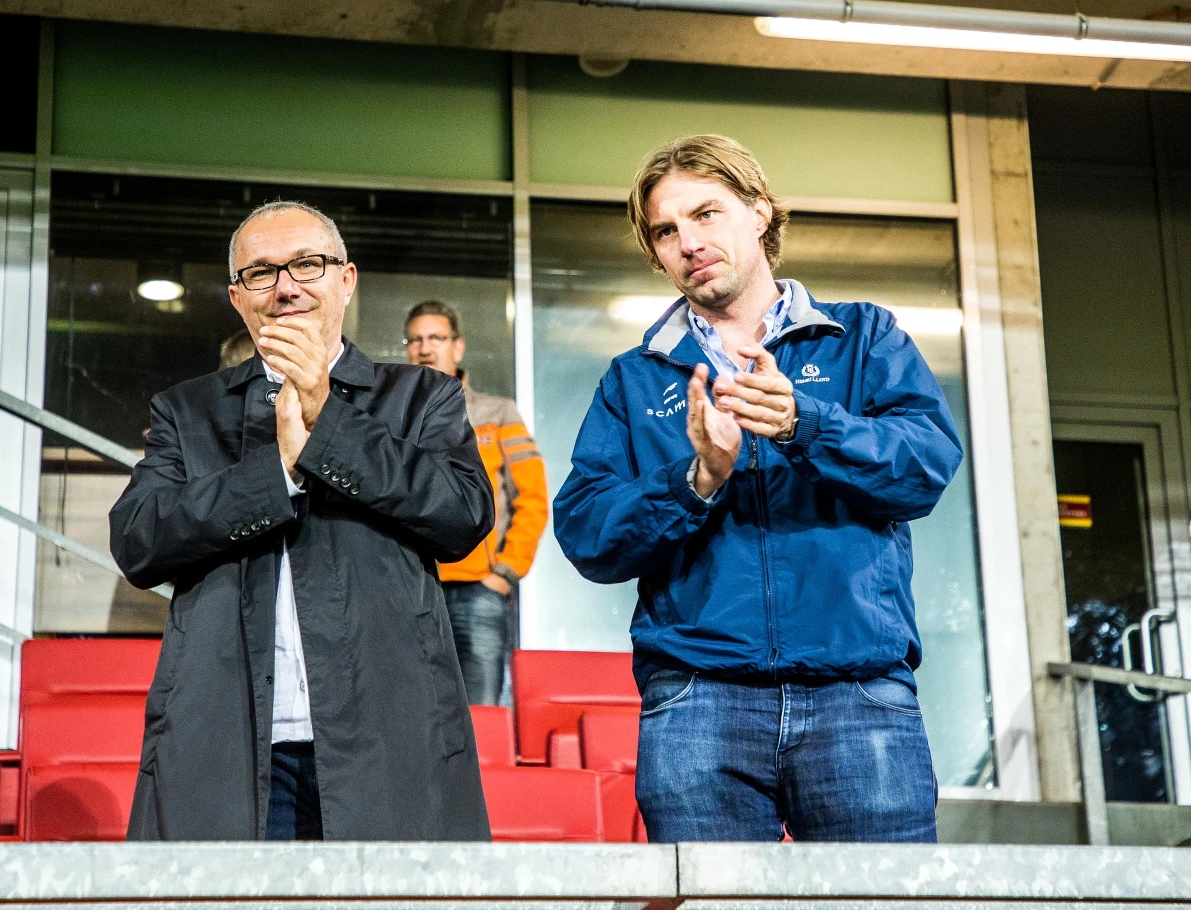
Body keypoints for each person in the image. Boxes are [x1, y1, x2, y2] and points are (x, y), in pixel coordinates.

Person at [553, 134, 963, 844]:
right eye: (665, 231)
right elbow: (589, 533)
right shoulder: (633, 378)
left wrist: (807, 424)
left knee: (881, 900)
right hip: (696, 699)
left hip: (859, 691)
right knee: (713, 898)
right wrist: (698, 480)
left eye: (705, 214)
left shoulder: (863, 338)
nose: (688, 242)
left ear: (760, 212)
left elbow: (924, 467)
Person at [110, 199, 495, 842]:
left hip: (387, 742)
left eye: (307, 264)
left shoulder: (422, 397)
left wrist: (325, 415)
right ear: (238, 298)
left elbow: (462, 516)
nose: (286, 286)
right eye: (261, 272)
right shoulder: (187, 410)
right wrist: (280, 472)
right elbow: (138, 540)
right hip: (228, 745)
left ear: (346, 280)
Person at [403, 300, 548, 705]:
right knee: (413, 715)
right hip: (411, 590)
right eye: (415, 340)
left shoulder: (497, 413)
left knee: (482, 718)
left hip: (479, 591)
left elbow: (533, 499)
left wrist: (503, 574)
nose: (425, 348)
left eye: (436, 338)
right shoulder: (392, 419)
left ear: (458, 346)